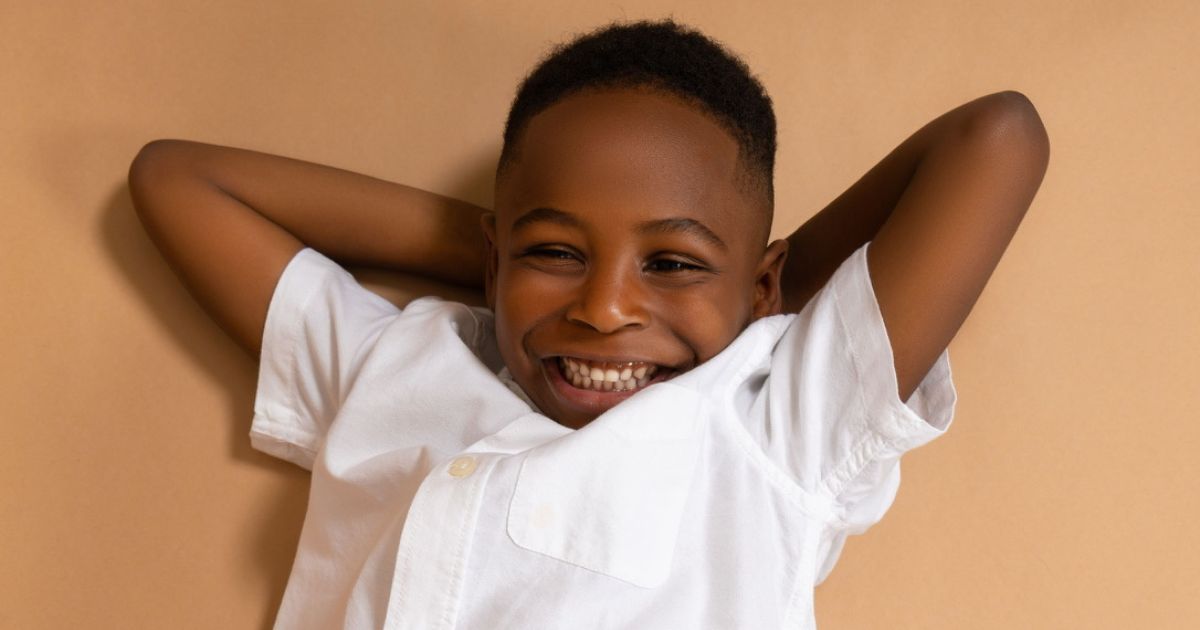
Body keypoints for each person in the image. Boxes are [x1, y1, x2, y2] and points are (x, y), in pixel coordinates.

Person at [128, 19, 1048, 630]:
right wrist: (498, 260)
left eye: (672, 263)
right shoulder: (398, 367)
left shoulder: (770, 427)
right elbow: (178, 181)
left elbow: (996, 138)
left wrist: (761, 288)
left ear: (765, 286)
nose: (604, 309)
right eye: (558, 254)